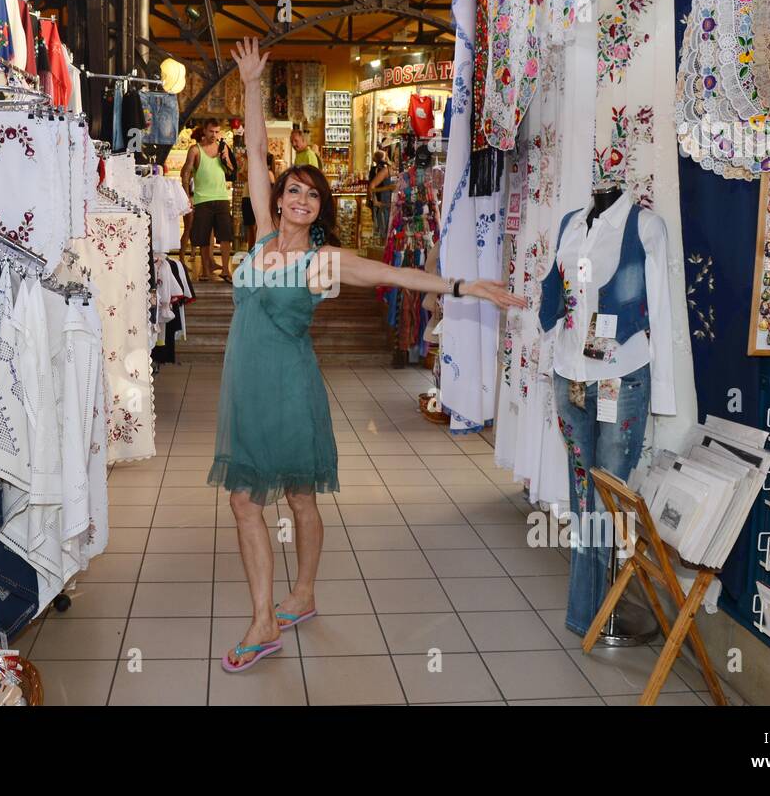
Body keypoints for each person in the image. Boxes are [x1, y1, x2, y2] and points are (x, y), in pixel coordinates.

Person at [212, 37, 526, 673]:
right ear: (277, 197)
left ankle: (290, 602)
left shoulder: (324, 261)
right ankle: (270, 613)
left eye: (311, 196)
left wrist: (463, 287)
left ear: (320, 210)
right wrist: (250, 86)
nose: (299, 199)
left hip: (290, 391)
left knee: (300, 500)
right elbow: (250, 153)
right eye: (292, 190)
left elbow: (396, 276)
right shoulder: (260, 233)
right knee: (245, 501)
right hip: (244, 389)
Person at [181, 118, 236, 282]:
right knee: (203, 238)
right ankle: (206, 270)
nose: (214, 135)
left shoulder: (223, 147)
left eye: (217, 131)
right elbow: (185, 173)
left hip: (221, 197)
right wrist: (186, 196)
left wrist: (225, 157)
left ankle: (226, 270)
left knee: (226, 235)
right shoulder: (195, 150)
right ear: (204, 131)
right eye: (211, 131)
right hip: (202, 199)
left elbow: (232, 170)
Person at [367, 149, 395, 242]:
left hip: (384, 203)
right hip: (383, 203)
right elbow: (372, 186)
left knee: (384, 229)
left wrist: (371, 199)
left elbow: (370, 185)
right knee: (384, 229)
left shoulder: (375, 169)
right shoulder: (385, 169)